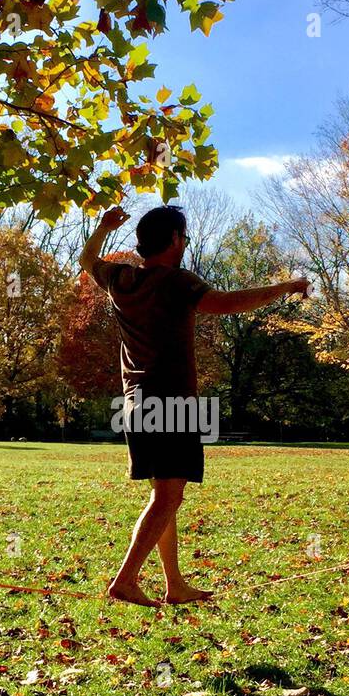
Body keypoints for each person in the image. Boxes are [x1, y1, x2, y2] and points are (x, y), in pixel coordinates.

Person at [80, 203, 309, 606]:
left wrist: (103, 227)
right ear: (173, 240)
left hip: (136, 403)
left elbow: (86, 260)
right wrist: (286, 287)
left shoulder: (122, 279)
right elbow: (226, 303)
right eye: (183, 237)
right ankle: (126, 580)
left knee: (163, 496)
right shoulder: (176, 281)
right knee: (169, 497)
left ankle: (174, 585)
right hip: (172, 401)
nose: (185, 243)